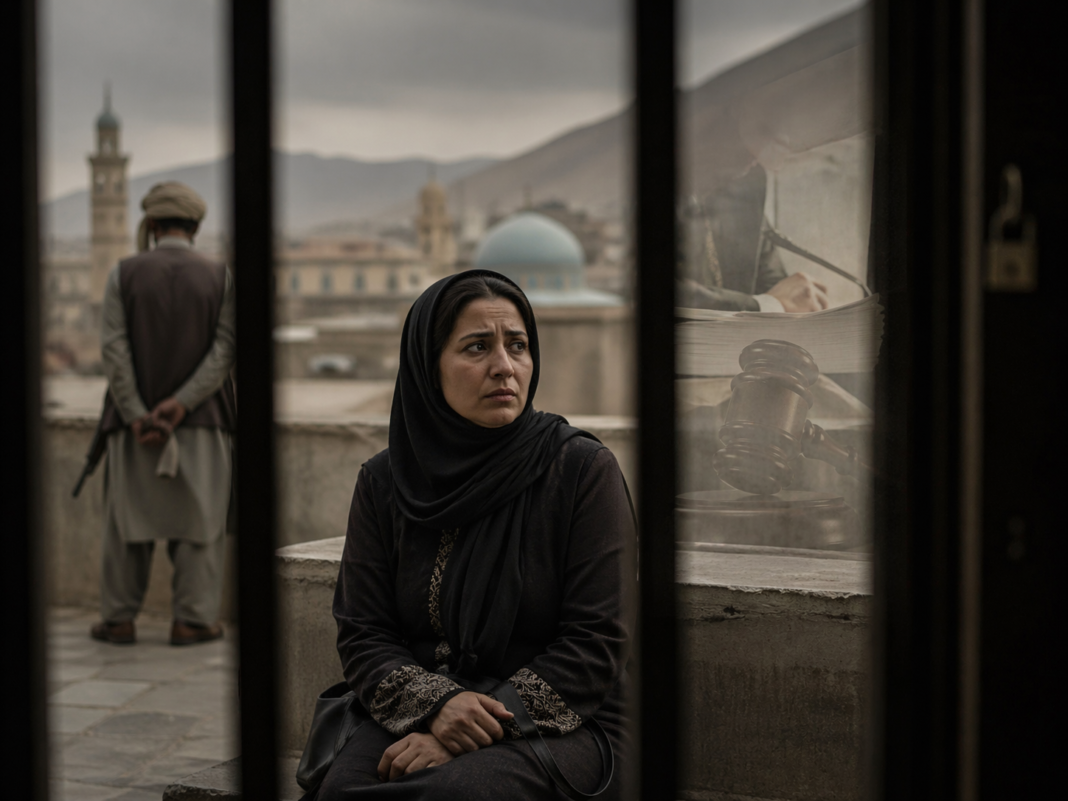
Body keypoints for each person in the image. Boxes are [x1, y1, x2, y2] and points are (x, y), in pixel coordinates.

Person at [308, 270, 634, 800]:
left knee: (450, 795)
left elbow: (596, 642)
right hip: (421, 707)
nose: (504, 367)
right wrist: (439, 707)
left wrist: (476, 727)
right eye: (477, 347)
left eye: (518, 346)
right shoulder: (385, 482)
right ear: (427, 366)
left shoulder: (578, 470)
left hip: (563, 721)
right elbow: (364, 631)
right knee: (341, 789)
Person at [89, 181, 236, 647]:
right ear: (195, 225)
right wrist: (180, 405)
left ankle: (118, 620)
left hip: (132, 430)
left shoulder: (124, 272)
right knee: (200, 527)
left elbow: (113, 349)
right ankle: (192, 621)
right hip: (200, 424)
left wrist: (136, 413)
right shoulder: (220, 276)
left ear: (151, 224)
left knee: (125, 527)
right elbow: (225, 350)